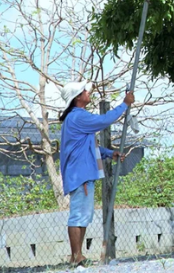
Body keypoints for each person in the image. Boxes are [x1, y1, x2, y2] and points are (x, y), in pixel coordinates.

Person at [58, 80, 134, 267]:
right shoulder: (78, 117)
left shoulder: (75, 118)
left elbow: (89, 148)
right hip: (80, 175)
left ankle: (77, 256)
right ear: (77, 97)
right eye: (84, 91)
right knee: (78, 216)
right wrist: (125, 104)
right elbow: (104, 120)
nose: (87, 92)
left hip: (81, 174)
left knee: (83, 216)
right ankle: (76, 256)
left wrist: (110, 153)